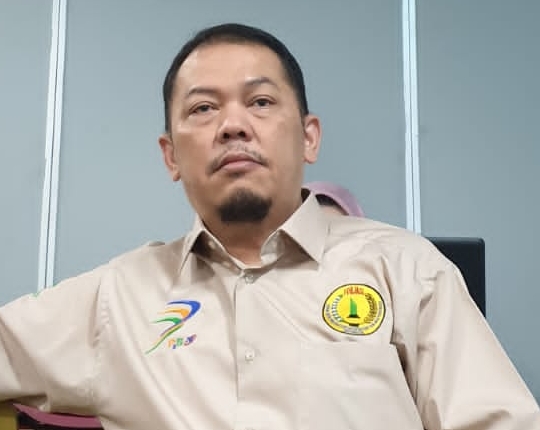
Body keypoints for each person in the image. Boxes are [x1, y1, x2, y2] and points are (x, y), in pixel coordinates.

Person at [0, 22, 539, 430]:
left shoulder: (407, 270)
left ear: (309, 137)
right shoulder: (117, 297)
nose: (233, 125)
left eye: (260, 102)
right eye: (203, 109)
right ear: (170, 156)